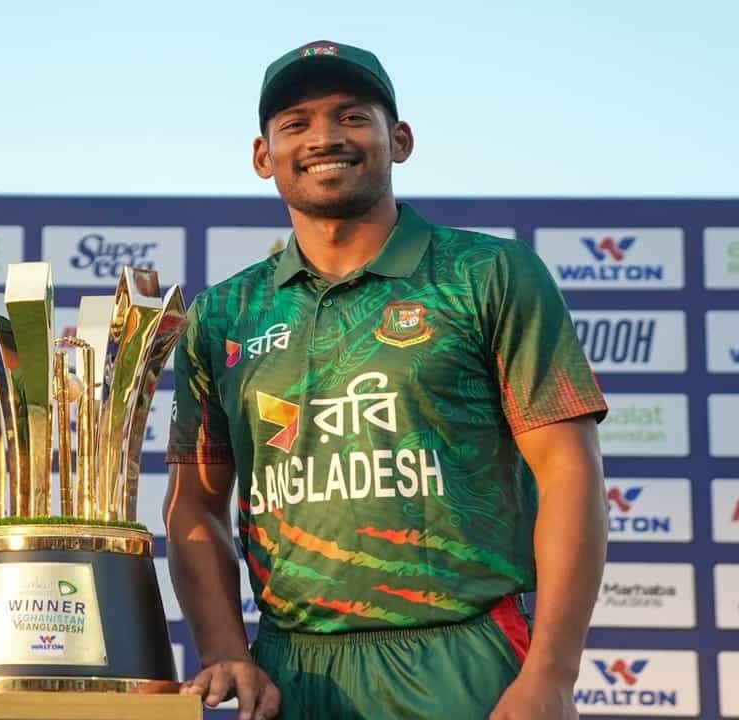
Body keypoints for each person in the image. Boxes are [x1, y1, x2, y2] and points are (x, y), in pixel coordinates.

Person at [165, 41, 608, 720]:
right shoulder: (223, 313)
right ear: (263, 156)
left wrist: (552, 673)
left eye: (352, 117)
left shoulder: (488, 272)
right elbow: (195, 506)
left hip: (466, 658)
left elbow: (568, 473)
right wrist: (226, 649)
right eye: (295, 124)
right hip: (290, 668)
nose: (324, 138)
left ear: (398, 140)